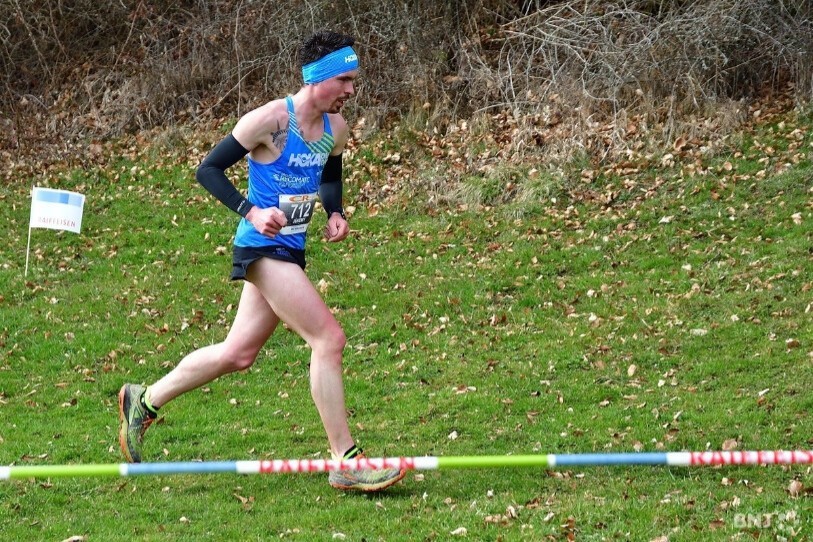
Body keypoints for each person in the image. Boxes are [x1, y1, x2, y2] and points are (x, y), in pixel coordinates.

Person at [117, 30, 405, 492]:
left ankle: (143, 399)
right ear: (319, 78)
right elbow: (207, 169)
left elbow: (330, 175)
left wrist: (336, 211)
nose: (352, 90)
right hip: (260, 247)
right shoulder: (269, 121)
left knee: (238, 353)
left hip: (290, 248)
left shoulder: (336, 129)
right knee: (328, 339)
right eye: (346, 80)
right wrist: (251, 209)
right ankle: (346, 459)